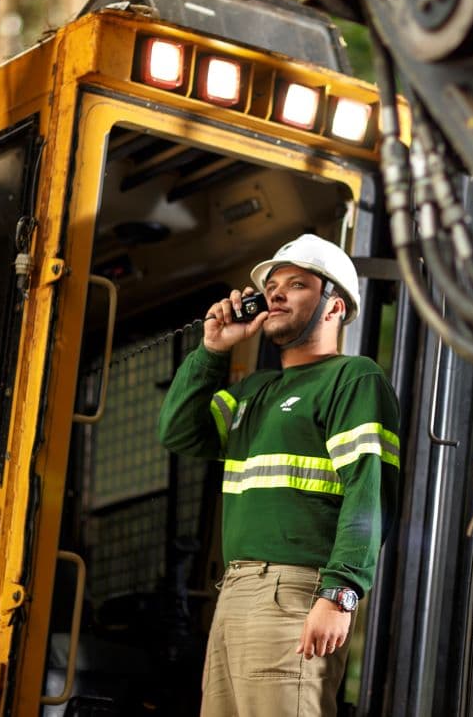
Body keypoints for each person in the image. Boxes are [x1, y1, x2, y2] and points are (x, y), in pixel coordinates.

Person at [157, 234, 400, 716]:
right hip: (235, 594)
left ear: (335, 306)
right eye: (271, 285)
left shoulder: (353, 379)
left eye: (297, 284)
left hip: (294, 594)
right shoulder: (254, 391)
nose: (276, 293)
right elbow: (180, 432)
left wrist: (341, 592)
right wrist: (212, 350)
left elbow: (367, 492)